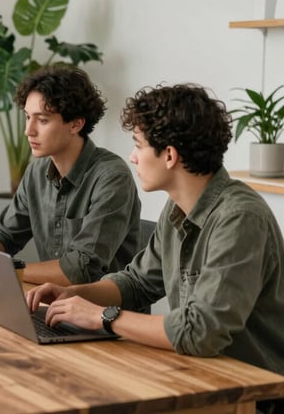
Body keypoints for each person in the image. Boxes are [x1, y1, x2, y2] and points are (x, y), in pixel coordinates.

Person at [25, 84, 284, 412]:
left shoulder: (240, 219)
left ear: (170, 156)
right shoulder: (178, 207)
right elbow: (137, 282)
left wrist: (102, 316)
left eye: (138, 145)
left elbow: (200, 331)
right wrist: (76, 295)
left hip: (251, 399)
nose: (132, 157)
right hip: (198, 377)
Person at [0, 65, 141, 286]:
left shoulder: (112, 177)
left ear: (76, 124)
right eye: (27, 117)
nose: (28, 130)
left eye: (42, 120)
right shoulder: (36, 172)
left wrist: (3, 269)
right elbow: (7, 235)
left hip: (98, 305)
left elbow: (80, 270)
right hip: (51, 299)